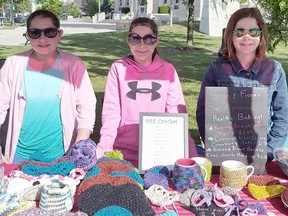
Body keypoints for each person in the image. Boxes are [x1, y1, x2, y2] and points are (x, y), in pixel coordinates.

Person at [97, 17, 198, 167]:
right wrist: (104, 147)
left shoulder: (167, 70)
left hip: (158, 152)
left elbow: (176, 114)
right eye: (135, 38)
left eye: (149, 39)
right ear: (128, 41)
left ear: (156, 41)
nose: (142, 44)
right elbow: (111, 112)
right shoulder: (118, 68)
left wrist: (192, 154)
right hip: (123, 151)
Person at [0, 9, 96, 164]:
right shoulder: (13, 64)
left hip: (62, 156)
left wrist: (78, 151)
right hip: (19, 155)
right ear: (27, 35)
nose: (42, 38)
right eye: (35, 32)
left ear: (59, 34)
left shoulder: (74, 64)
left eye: (49, 32)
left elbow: (87, 109)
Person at [196, 7, 288, 161]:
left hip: (261, 156)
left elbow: (283, 116)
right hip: (223, 154)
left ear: (261, 36)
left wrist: (268, 151)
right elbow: (202, 112)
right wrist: (214, 147)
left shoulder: (274, 70)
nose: (247, 37)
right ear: (230, 36)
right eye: (240, 31)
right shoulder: (216, 69)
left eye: (253, 32)